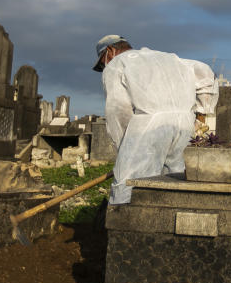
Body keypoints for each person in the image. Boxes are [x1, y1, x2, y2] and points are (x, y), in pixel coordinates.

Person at [94, 35, 219, 205]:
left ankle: (125, 224)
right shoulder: (168, 58)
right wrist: (201, 117)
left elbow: (118, 111)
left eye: (102, 63)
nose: (104, 67)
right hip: (184, 124)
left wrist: (124, 146)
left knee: (130, 185)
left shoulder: (117, 64)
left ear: (110, 51)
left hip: (147, 127)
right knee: (175, 180)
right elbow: (206, 73)